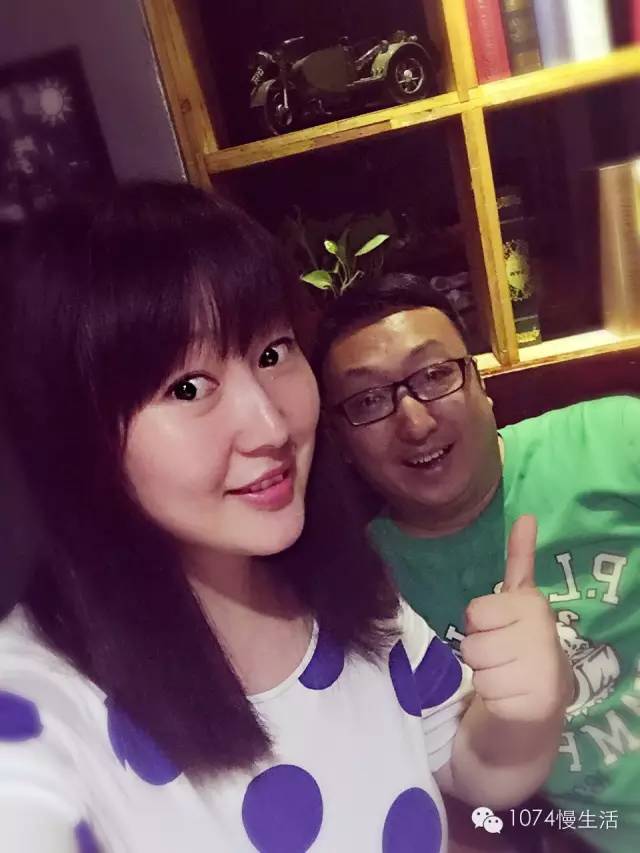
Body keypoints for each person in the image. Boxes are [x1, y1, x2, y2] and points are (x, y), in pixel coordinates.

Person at [0, 186, 569, 853]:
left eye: (271, 353)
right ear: (75, 433)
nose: (271, 425)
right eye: (188, 387)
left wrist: (526, 710)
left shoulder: (349, 590)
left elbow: (471, 767)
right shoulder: (33, 707)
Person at [317, 271, 640, 852]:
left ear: (480, 383)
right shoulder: (364, 588)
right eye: (368, 401)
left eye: (435, 375)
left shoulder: (615, 439)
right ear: (341, 442)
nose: (415, 423)